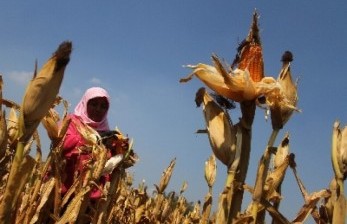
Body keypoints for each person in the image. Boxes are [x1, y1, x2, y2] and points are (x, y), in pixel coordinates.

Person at [61, 87, 120, 200]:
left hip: (89, 197)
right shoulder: (71, 121)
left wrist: (118, 153)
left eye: (103, 106)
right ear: (85, 103)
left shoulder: (106, 133)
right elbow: (63, 143)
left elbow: (107, 168)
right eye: (94, 104)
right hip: (62, 190)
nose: (98, 109)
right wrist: (93, 140)